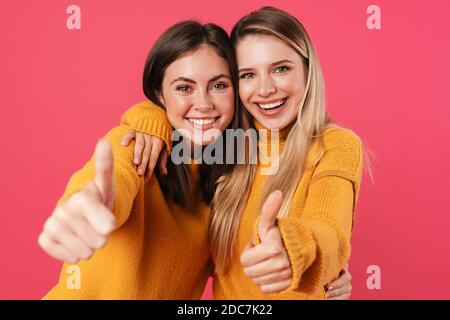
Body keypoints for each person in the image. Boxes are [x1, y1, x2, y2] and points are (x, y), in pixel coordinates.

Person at [121, 7, 359, 300]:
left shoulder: (336, 145)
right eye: (248, 75)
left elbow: (330, 230)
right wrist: (151, 120)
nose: (265, 89)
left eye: (281, 69)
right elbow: (179, 102)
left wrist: (298, 251)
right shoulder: (224, 143)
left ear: (308, 70)